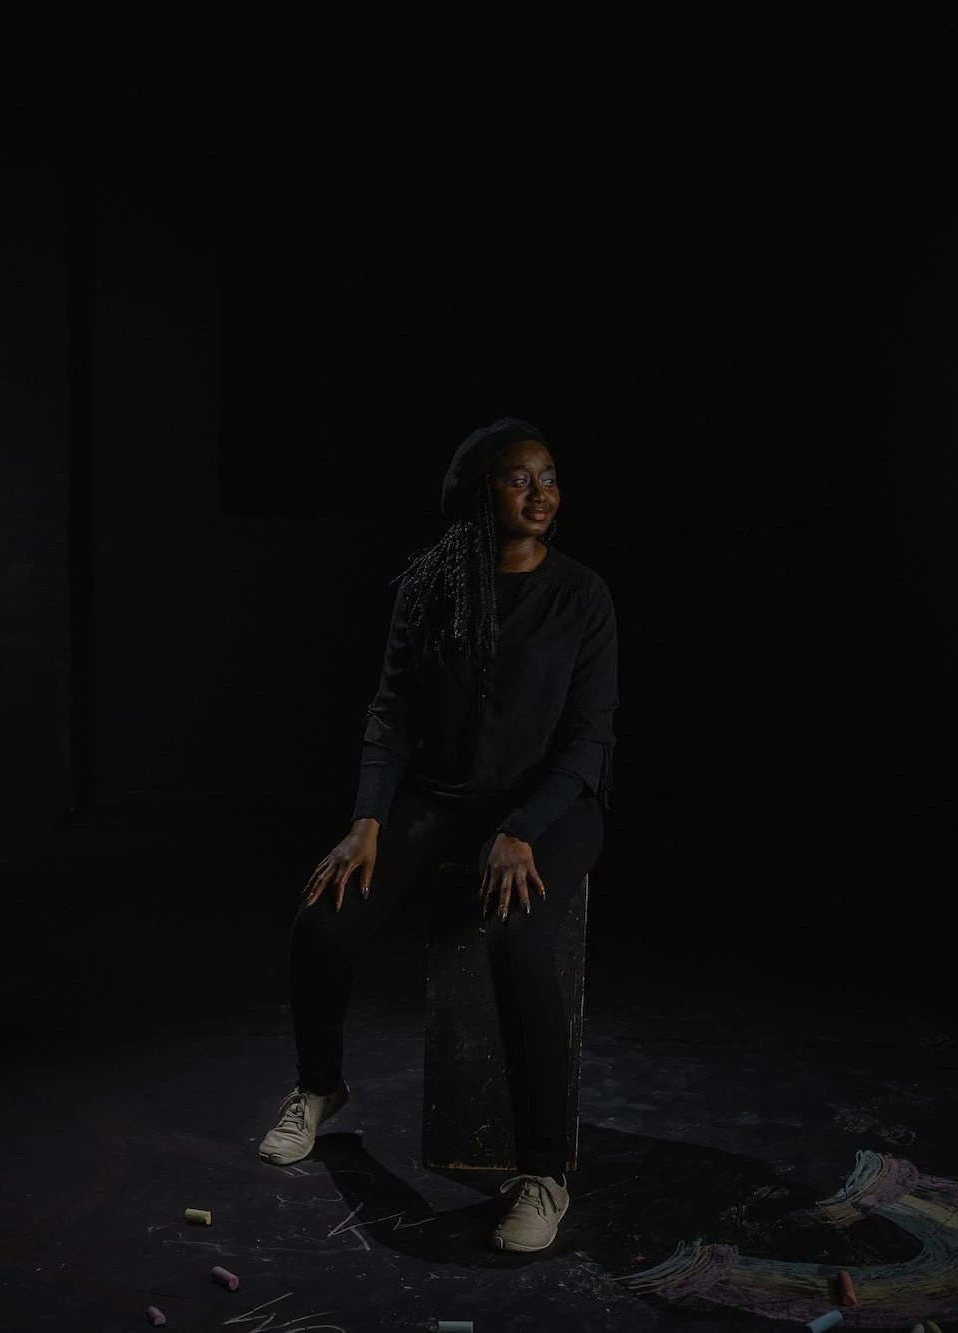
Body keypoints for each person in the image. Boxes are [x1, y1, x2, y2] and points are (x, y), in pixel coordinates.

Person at [257, 416, 618, 1254]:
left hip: (556, 806)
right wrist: (367, 821)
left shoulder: (582, 596)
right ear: (478, 493)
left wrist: (521, 829)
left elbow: (588, 741)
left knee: (520, 944)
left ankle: (542, 1173)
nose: (540, 492)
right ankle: (319, 1087)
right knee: (323, 917)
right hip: (448, 794)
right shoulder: (432, 587)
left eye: (549, 477)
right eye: (519, 478)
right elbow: (391, 715)